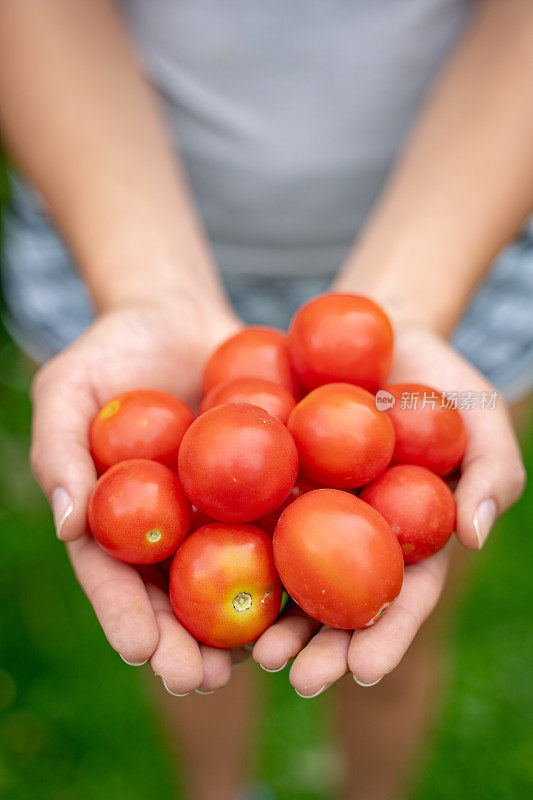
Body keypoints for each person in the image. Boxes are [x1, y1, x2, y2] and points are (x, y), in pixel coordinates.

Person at [0, 1, 530, 798]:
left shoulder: (387, 423)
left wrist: (409, 310)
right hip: (110, 218)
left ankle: (373, 789)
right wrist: (144, 285)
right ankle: (218, 787)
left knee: (400, 639)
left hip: (459, 232)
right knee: (183, 648)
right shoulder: (217, 440)